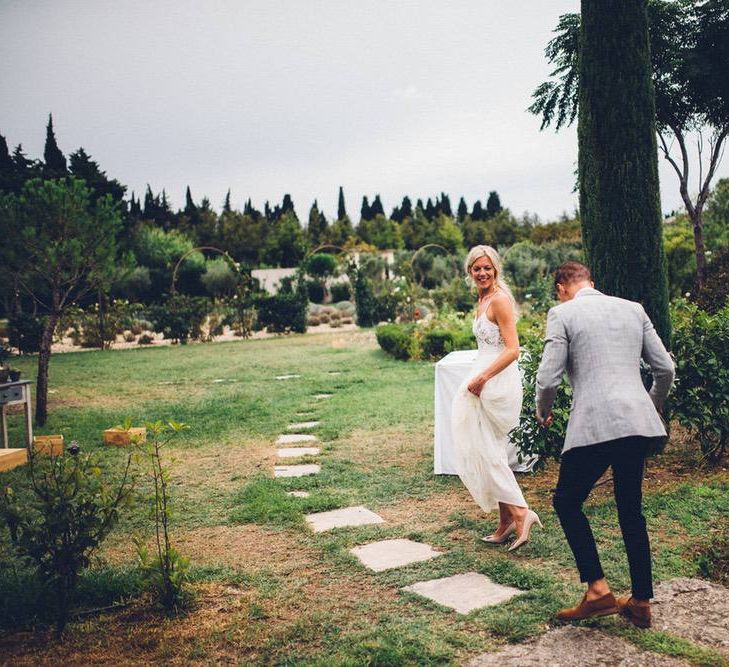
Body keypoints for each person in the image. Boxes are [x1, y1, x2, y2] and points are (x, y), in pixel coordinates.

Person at [536, 261, 674, 628]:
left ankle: (597, 591)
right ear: (591, 283)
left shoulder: (562, 313)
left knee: (566, 501)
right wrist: (649, 404)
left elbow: (548, 377)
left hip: (594, 423)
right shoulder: (633, 309)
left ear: (562, 287)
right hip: (636, 423)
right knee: (631, 509)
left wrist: (542, 410)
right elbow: (666, 370)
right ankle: (641, 601)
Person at [451, 245, 541, 551]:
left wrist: (482, 378)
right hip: (483, 374)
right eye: (477, 268)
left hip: (494, 380)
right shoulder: (482, 299)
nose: (482, 273)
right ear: (470, 272)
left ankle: (520, 512)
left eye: (487, 268)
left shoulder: (500, 300)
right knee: (491, 449)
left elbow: (513, 349)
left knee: (485, 450)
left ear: (496, 269)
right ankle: (505, 524)